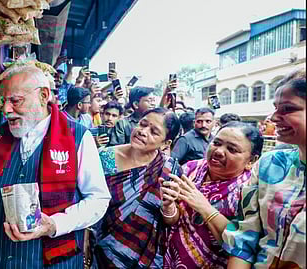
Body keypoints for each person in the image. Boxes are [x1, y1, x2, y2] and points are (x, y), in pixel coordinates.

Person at [0, 64, 111, 268]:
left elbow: (98, 199)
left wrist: (54, 225)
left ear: (43, 95)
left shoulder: (78, 137)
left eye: (16, 101)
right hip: (2, 257)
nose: (6, 110)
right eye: (4, 101)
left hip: (54, 260)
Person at [223, 68, 306, 269]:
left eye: (287, 109)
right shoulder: (270, 165)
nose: (273, 117)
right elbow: (244, 239)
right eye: (275, 107)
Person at [163, 121, 264, 268]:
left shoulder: (249, 191)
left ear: (251, 160)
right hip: (168, 259)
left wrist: (204, 207)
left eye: (232, 149)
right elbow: (173, 219)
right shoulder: (191, 168)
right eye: (216, 143)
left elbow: (244, 246)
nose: (219, 151)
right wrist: (168, 207)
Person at [94, 107, 181, 268]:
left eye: (154, 131)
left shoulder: (169, 169)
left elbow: (171, 221)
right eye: (142, 124)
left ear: (166, 143)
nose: (142, 131)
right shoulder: (106, 157)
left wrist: (168, 205)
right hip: (102, 248)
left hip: (143, 256)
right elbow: (89, 203)